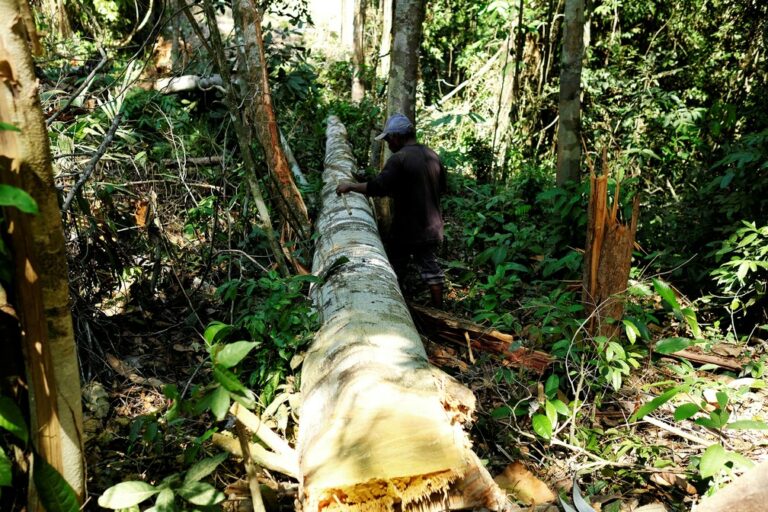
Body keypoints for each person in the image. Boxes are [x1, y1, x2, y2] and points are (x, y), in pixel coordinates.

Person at [336, 113, 447, 308]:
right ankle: (439, 309)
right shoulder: (432, 155)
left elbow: (378, 187)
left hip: (407, 228)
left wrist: (351, 186)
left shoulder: (399, 159)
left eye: (388, 139)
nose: (388, 144)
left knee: (394, 267)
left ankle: (394, 305)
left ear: (396, 136)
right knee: (430, 269)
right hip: (432, 226)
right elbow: (442, 187)